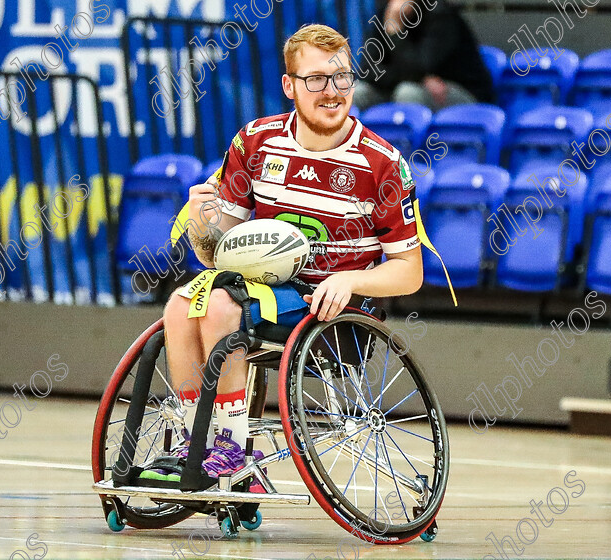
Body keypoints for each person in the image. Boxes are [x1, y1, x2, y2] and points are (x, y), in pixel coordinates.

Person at [139, 24, 425, 485]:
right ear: (289, 86)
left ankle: (230, 454)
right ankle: (193, 444)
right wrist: (200, 222)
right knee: (178, 305)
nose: (331, 92)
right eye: (315, 80)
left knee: (217, 308)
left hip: (334, 311)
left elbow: (409, 273)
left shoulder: (384, 164)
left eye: (341, 78)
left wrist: (351, 280)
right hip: (264, 290)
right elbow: (217, 256)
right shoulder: (255, 142)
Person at [353, 0, 494, 111]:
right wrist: (419, 78)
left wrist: (395, 31)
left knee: (407, 93)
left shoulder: (440, 13)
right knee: (356, 93)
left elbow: (421, 66)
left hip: (462, 92)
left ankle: (408, 148)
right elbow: (367, 71)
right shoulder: (386, 12)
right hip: (410, 86)